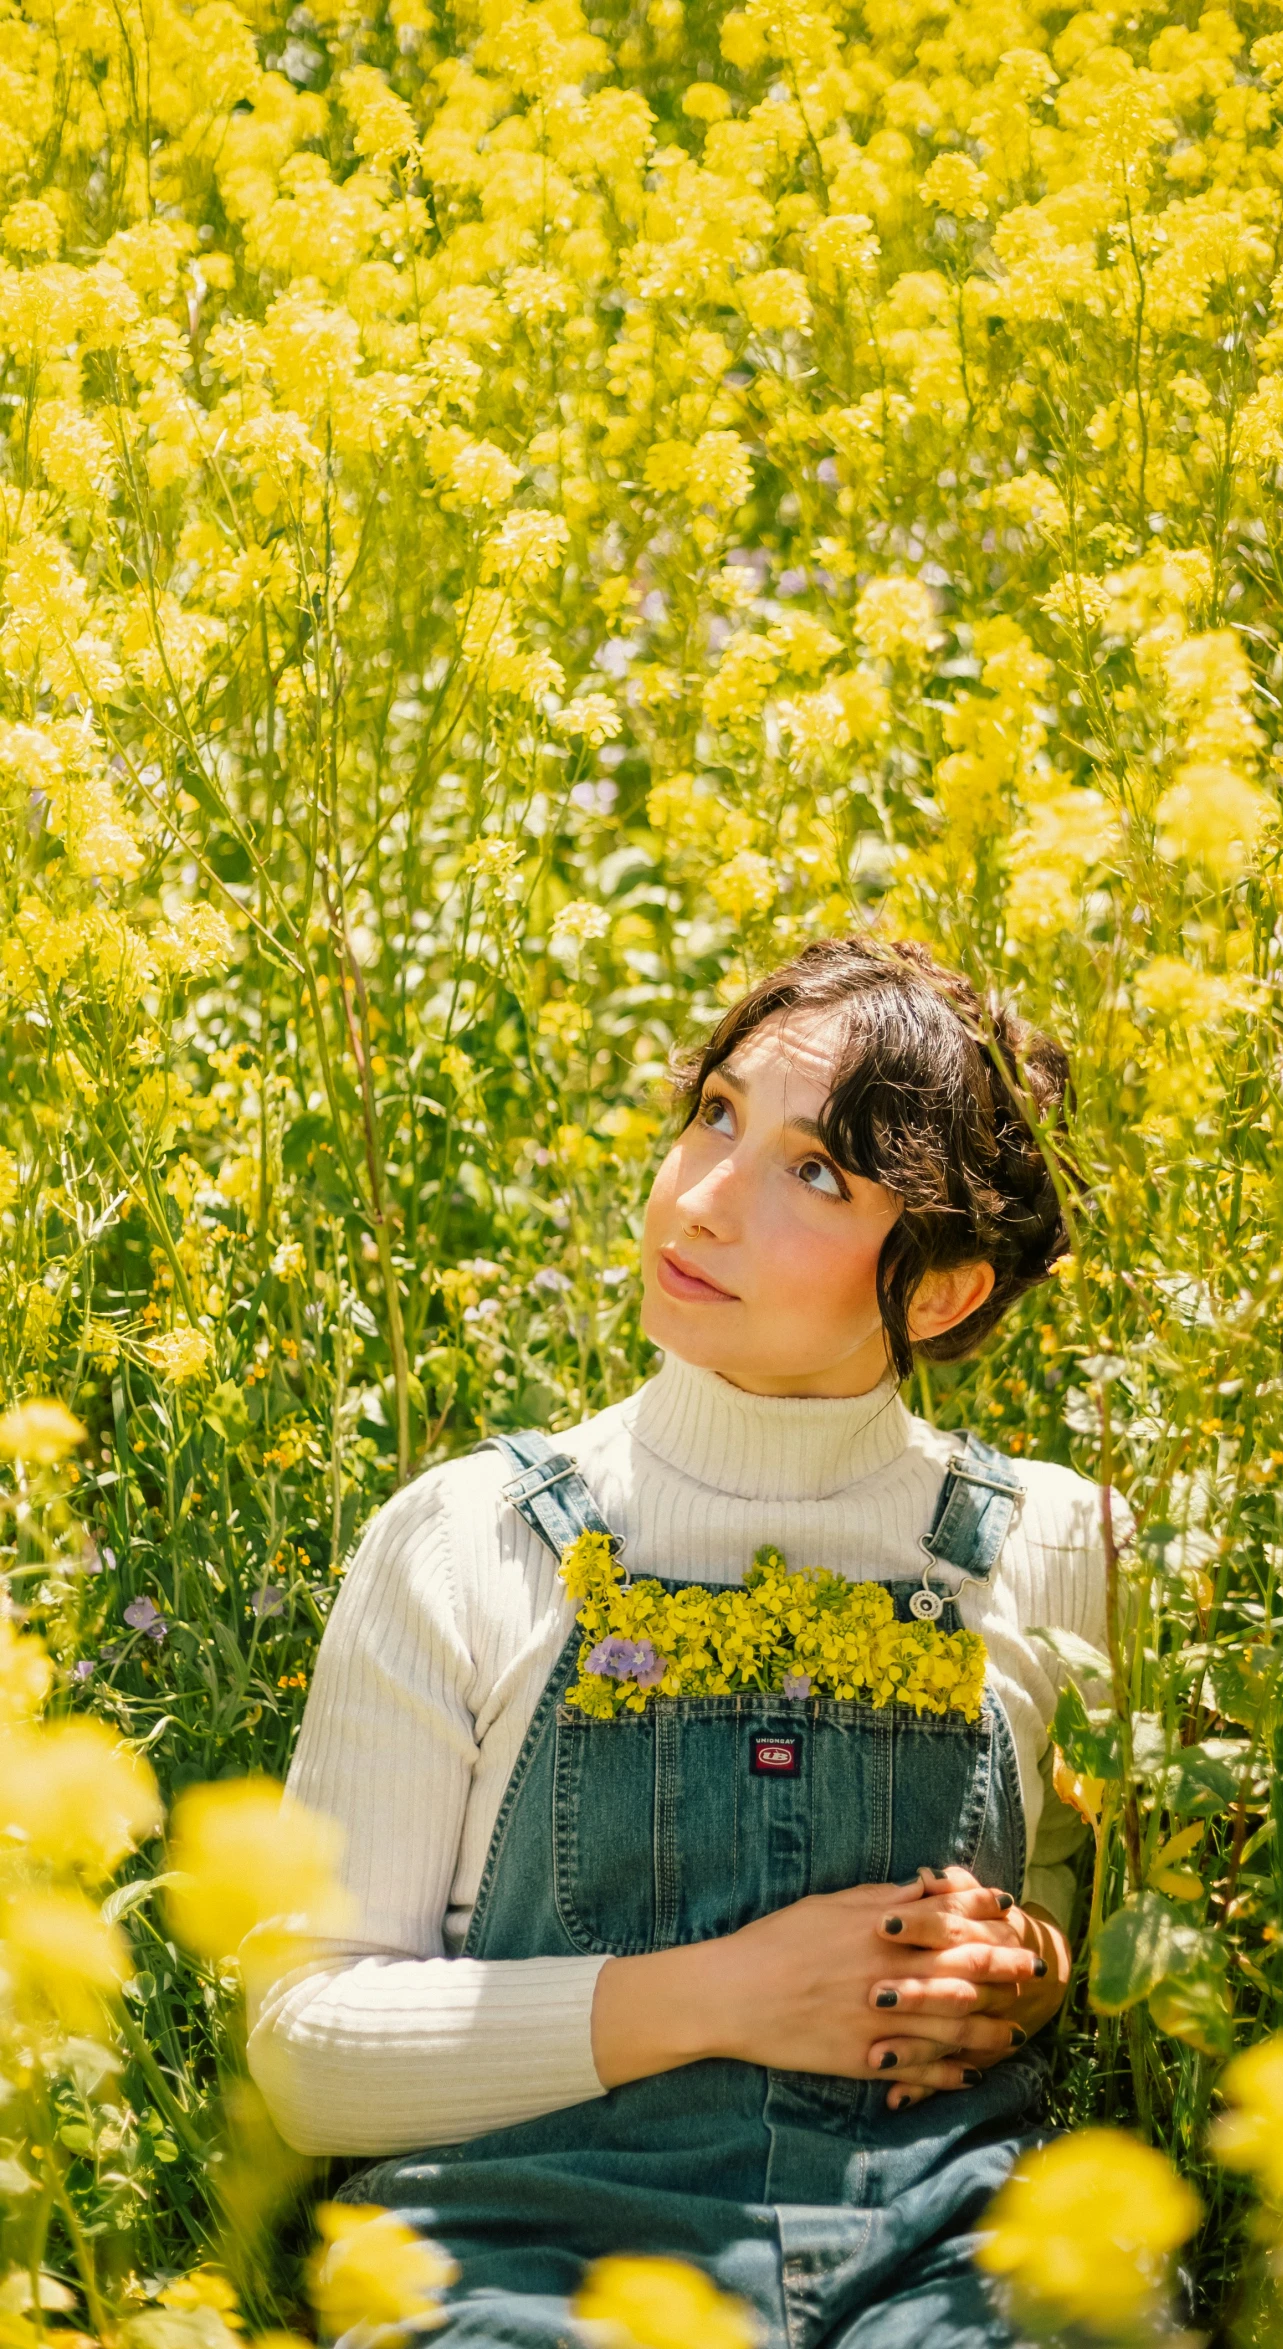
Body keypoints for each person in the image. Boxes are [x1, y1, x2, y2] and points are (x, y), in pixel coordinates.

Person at [250, 936, 1119, 2349]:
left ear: (947, 1288)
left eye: (814, 1172)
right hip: (523, 2261)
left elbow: (1083, 1902)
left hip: (952, 2254)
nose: (700, 1201)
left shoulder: (1061, 1550)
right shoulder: (471, 1538)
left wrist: (1035, 1966)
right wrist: (728, 1994)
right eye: (715, 1114)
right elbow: (305, 2052)